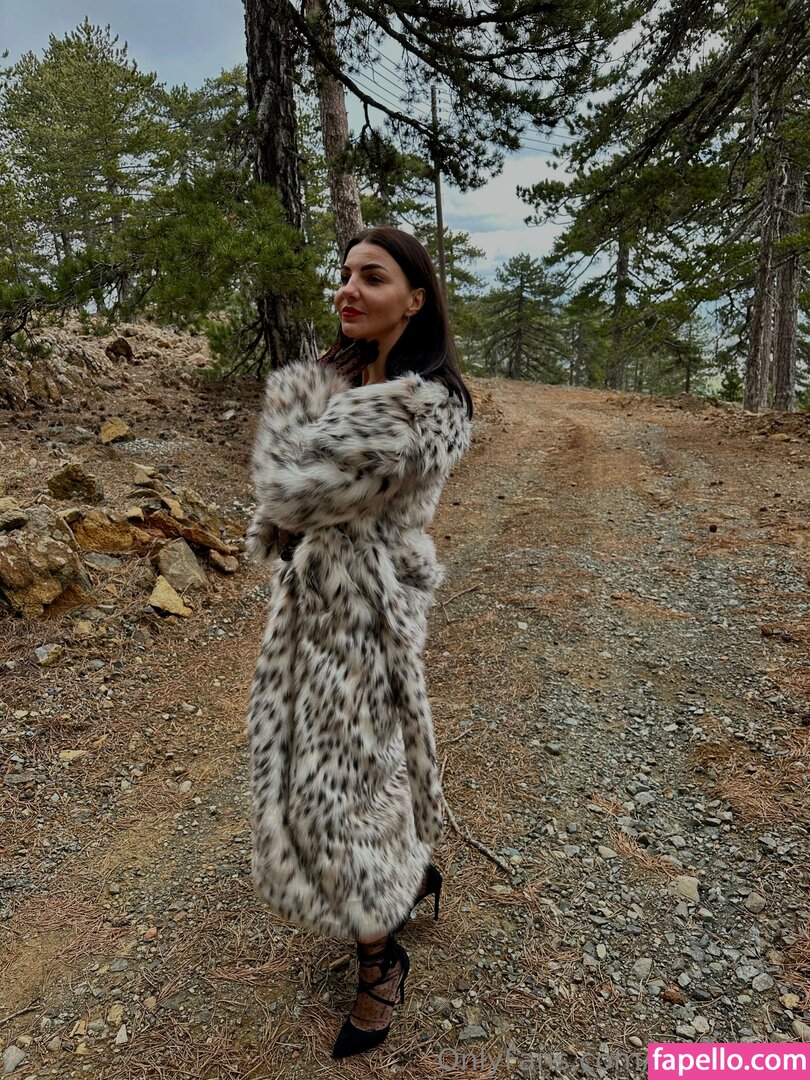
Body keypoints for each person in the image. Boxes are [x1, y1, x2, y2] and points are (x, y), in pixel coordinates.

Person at [245, 226, 473, 1058]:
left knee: (333, 793)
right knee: (356, 771)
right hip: (310, 606)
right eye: (344, 273)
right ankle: (407, 873)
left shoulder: (427, 407)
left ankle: (381, 961)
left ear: (415, 300)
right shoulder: (343, 381)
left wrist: (294, 411)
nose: (348, 288)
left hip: (370, 618)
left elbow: (288, 495)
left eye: (371, 277)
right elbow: (285, 504)